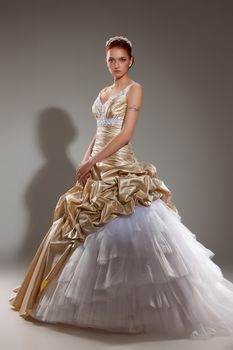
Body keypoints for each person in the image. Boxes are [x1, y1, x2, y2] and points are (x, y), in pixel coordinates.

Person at [9, 35, 233, 339]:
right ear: (106, 60)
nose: (116, 65)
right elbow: (99, 130)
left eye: (122, 59)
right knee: (78, 225)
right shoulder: (103, 92)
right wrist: (86, 160)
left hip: (121, 166)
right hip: (97, 166)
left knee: (131, 232)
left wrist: (93, 161)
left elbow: (125, 135)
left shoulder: (135, 90)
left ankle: (133, 310)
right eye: (111, 59)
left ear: (131, 61)